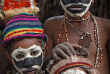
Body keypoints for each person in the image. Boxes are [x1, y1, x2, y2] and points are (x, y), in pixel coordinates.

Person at [44, 0, 110, 74]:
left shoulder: (105, 26)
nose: (76, 0)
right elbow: (43, 67)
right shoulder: (51, 25)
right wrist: (52, 55)